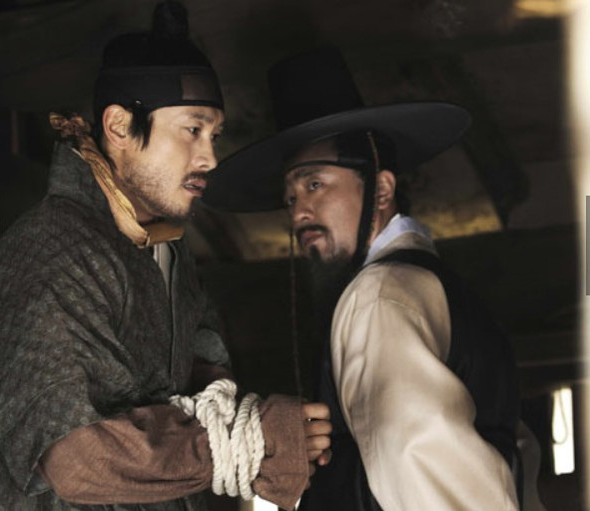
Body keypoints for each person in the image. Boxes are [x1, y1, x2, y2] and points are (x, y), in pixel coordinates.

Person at [0, 4, 331, 511]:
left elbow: (198, 348)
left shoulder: (166, 245)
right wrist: (251, 442)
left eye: (214, 136)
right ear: (119, 126)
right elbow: (74, 458)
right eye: (192, 130)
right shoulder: (49, 252)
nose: (209, 157)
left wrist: (237, 412)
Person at [204, 47, 527, 510]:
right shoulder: (425, 285)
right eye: (290, 197)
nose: (299, 211)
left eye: (315, 184)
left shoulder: (381, 293)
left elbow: (413, 456)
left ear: (381, 189)